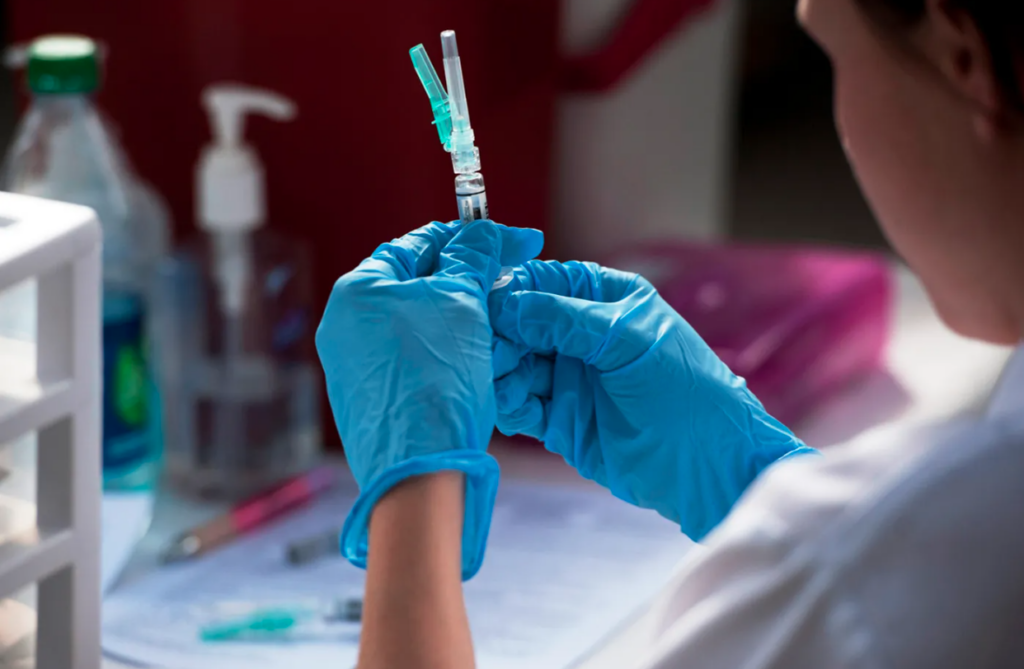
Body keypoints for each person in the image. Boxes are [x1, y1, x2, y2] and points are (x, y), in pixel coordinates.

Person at [314, 0, 1024, 666]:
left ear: (962, 59)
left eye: (836, 56)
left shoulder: (848, 575)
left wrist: (414, 495)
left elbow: (874, 588)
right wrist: (755, 477)